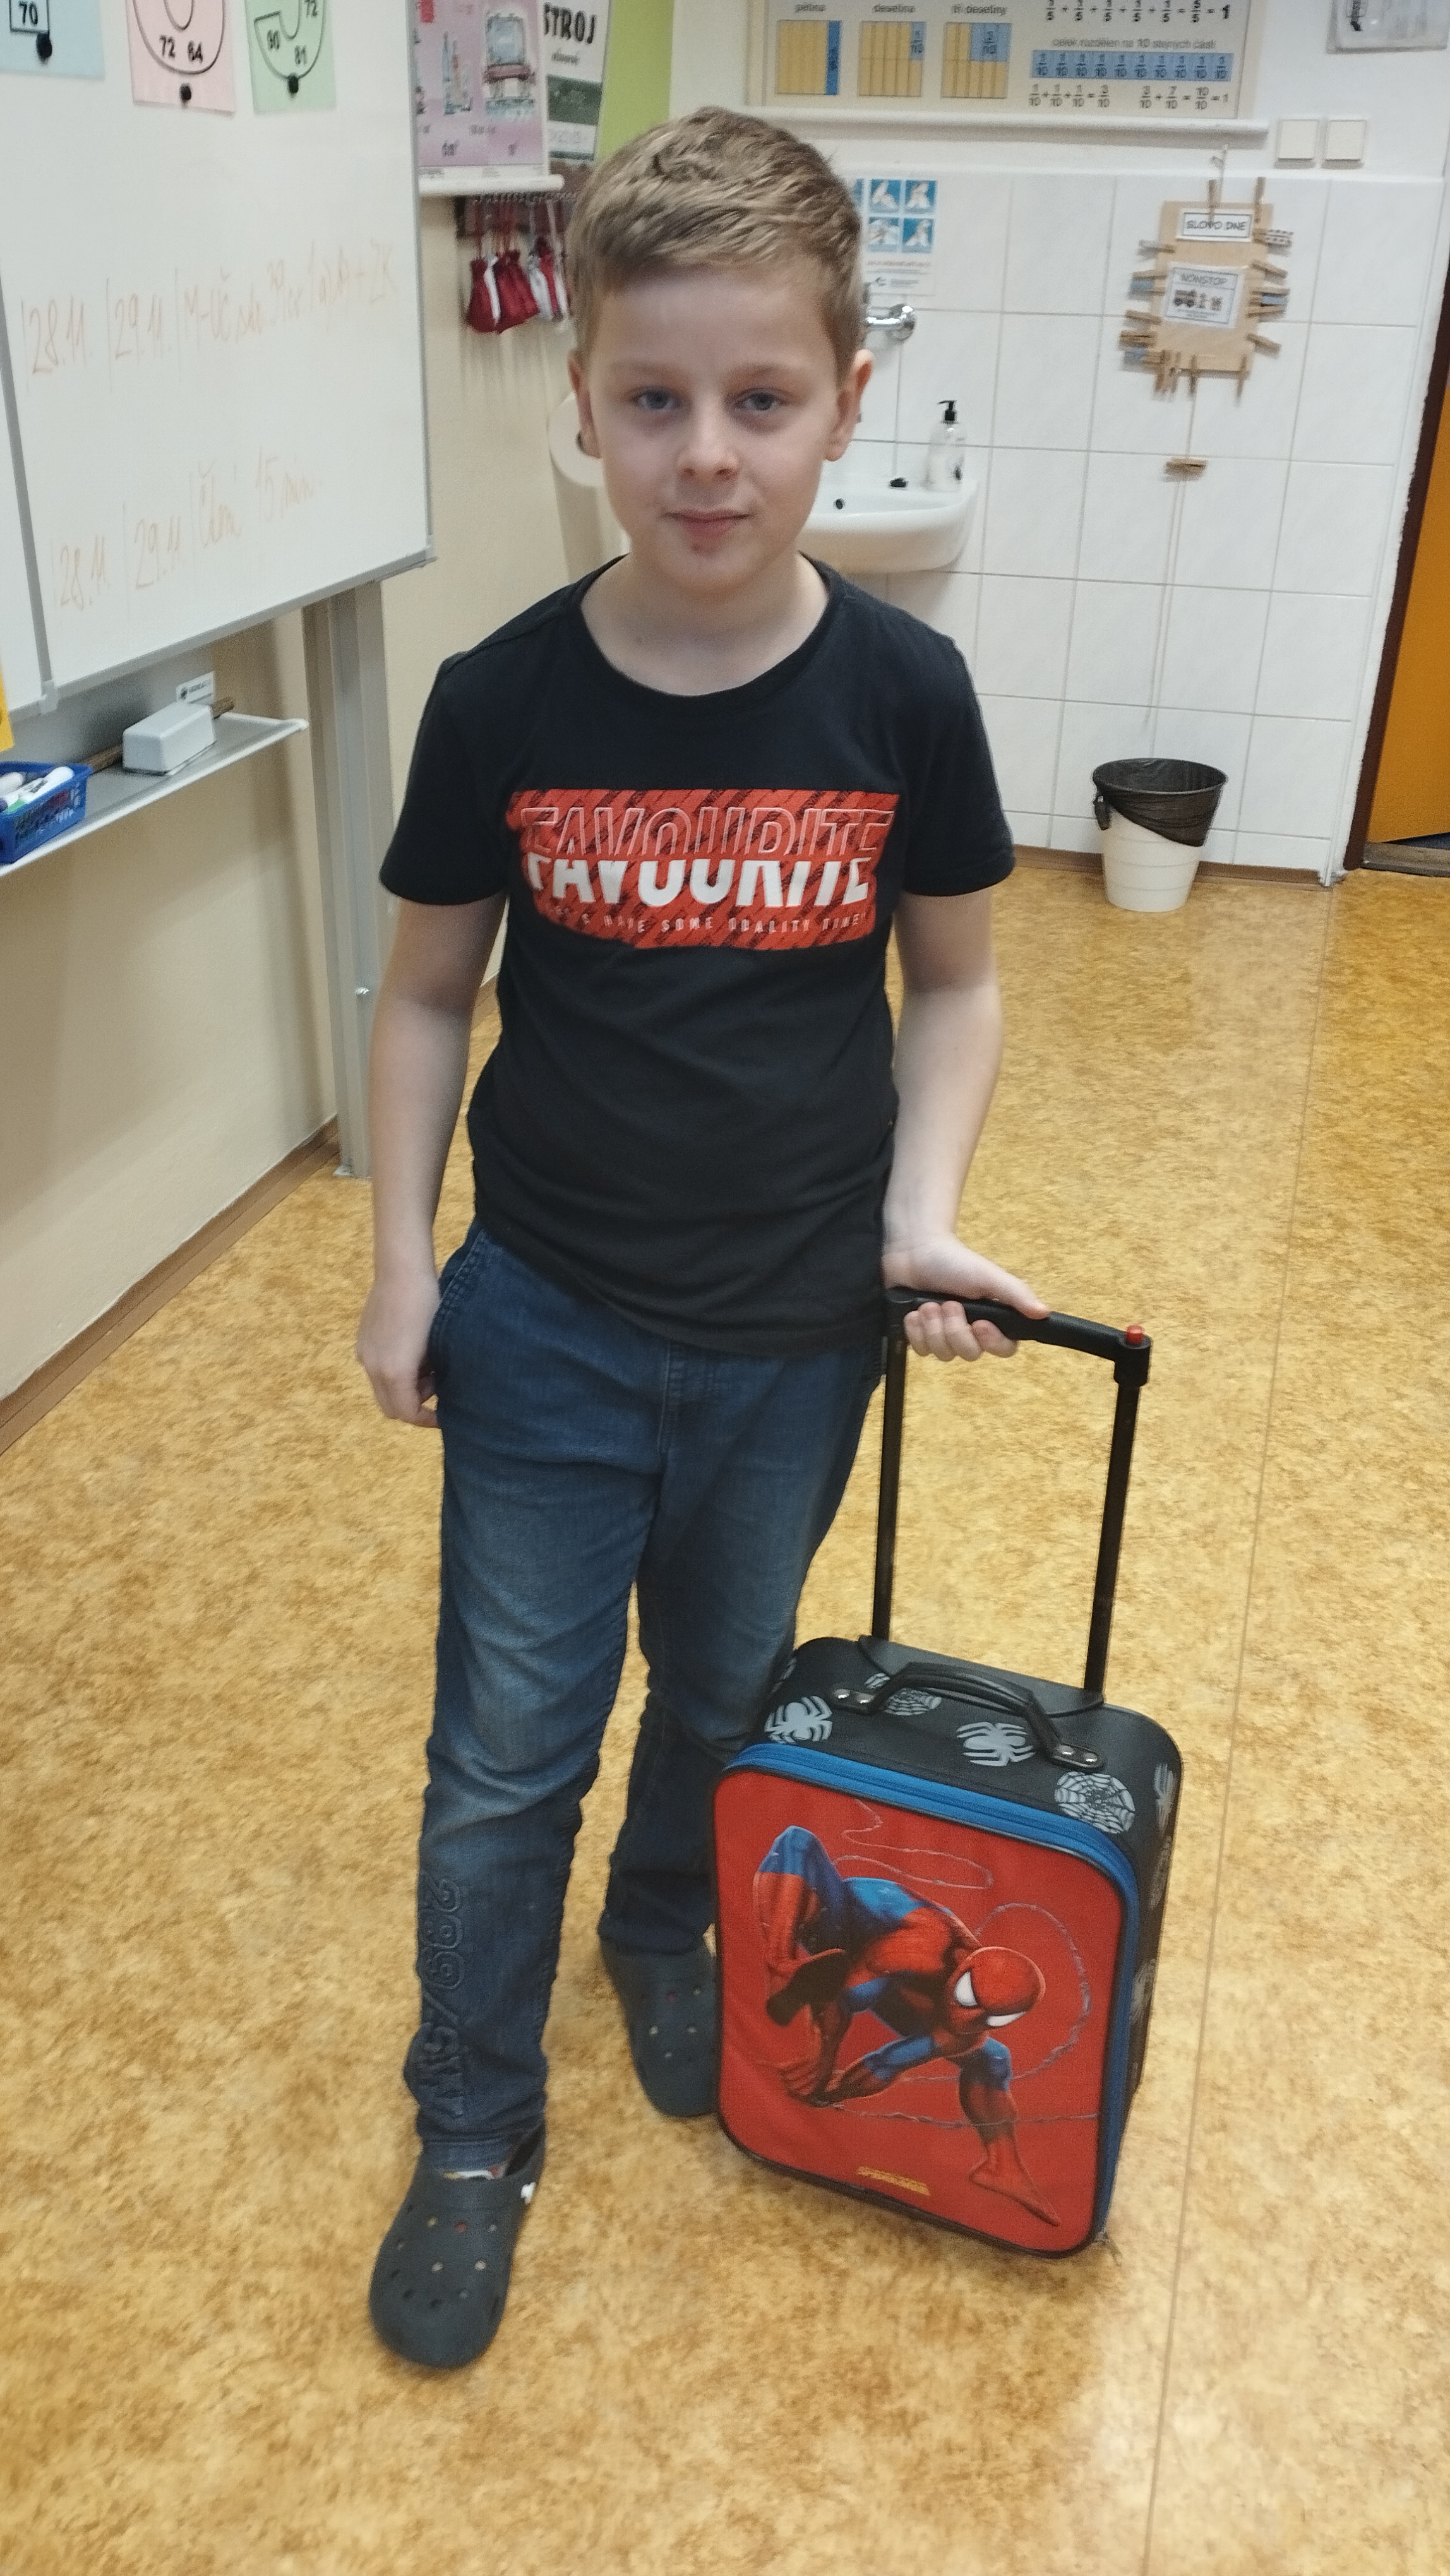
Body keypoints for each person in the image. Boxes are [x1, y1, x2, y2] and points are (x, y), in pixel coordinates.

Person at [357, 105, 1046, 2373]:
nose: (708, 454)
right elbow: (425, 995)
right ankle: (473, 2118)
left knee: (725, 1691)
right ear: (581, 404)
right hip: (545, 1321)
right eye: (654, 399)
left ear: (845, 398)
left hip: (796, 1330)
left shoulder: (904, 697)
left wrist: (918, 1218)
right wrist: (404, 1256)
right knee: (502, 1756)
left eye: (762, 397)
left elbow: (953, 984)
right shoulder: (499, 700)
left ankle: (663, 1921)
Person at [753, 1826, 1058, 2227]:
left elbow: (889, 2062)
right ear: (963, 1968)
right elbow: (842, 1996)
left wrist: (831, 2093)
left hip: (894, 1984)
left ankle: (1003, 2166)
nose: (969, 2018)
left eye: (993, 2017)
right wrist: (823, 2058)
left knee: (993, 2058)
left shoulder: (967, 2028)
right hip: (847, 1925)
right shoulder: (923, 1946)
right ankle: (780, 1962)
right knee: (797, 1841)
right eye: (969, 1996)